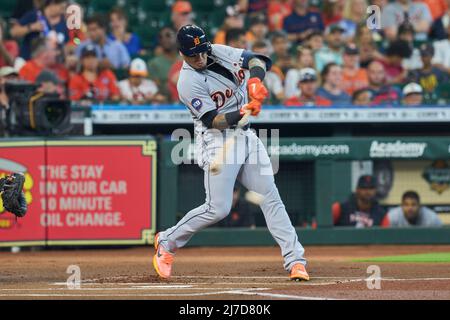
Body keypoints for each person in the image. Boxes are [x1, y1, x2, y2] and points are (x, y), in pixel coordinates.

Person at [153, 25, 309, 282]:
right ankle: (167, 242)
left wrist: (256, 80)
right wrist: (242, 112)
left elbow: (258, 60)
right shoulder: (187, 82)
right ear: (182, 54)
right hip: (216, 139)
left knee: (270, 195)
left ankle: (295, 261)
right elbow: (213, 120)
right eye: (194, 55)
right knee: (218, 208)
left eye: (203, 52)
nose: (201, 58)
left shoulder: (218, 52)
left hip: (245, 135)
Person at [147, 27, 178, 99]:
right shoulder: (153, 63)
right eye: (161, 37)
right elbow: (152, 87)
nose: (164, 39)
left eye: (168, 35)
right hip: (164, 102)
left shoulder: (185, 60)